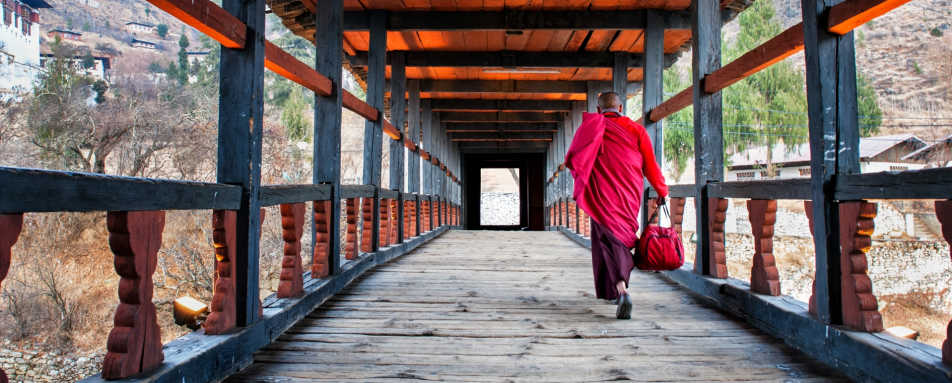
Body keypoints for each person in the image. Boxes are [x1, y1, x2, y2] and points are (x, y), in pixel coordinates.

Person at [564, 91, 668, 319]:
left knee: (607, 241)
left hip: (601, 196)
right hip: (628, 195)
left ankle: (620, 290)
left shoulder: (590, 127)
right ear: (621, 109)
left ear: (599, 110)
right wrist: (662, 190)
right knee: (618, 240)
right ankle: (615, 291)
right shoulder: (636, 129)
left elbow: (573, 159)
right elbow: (650, 165)